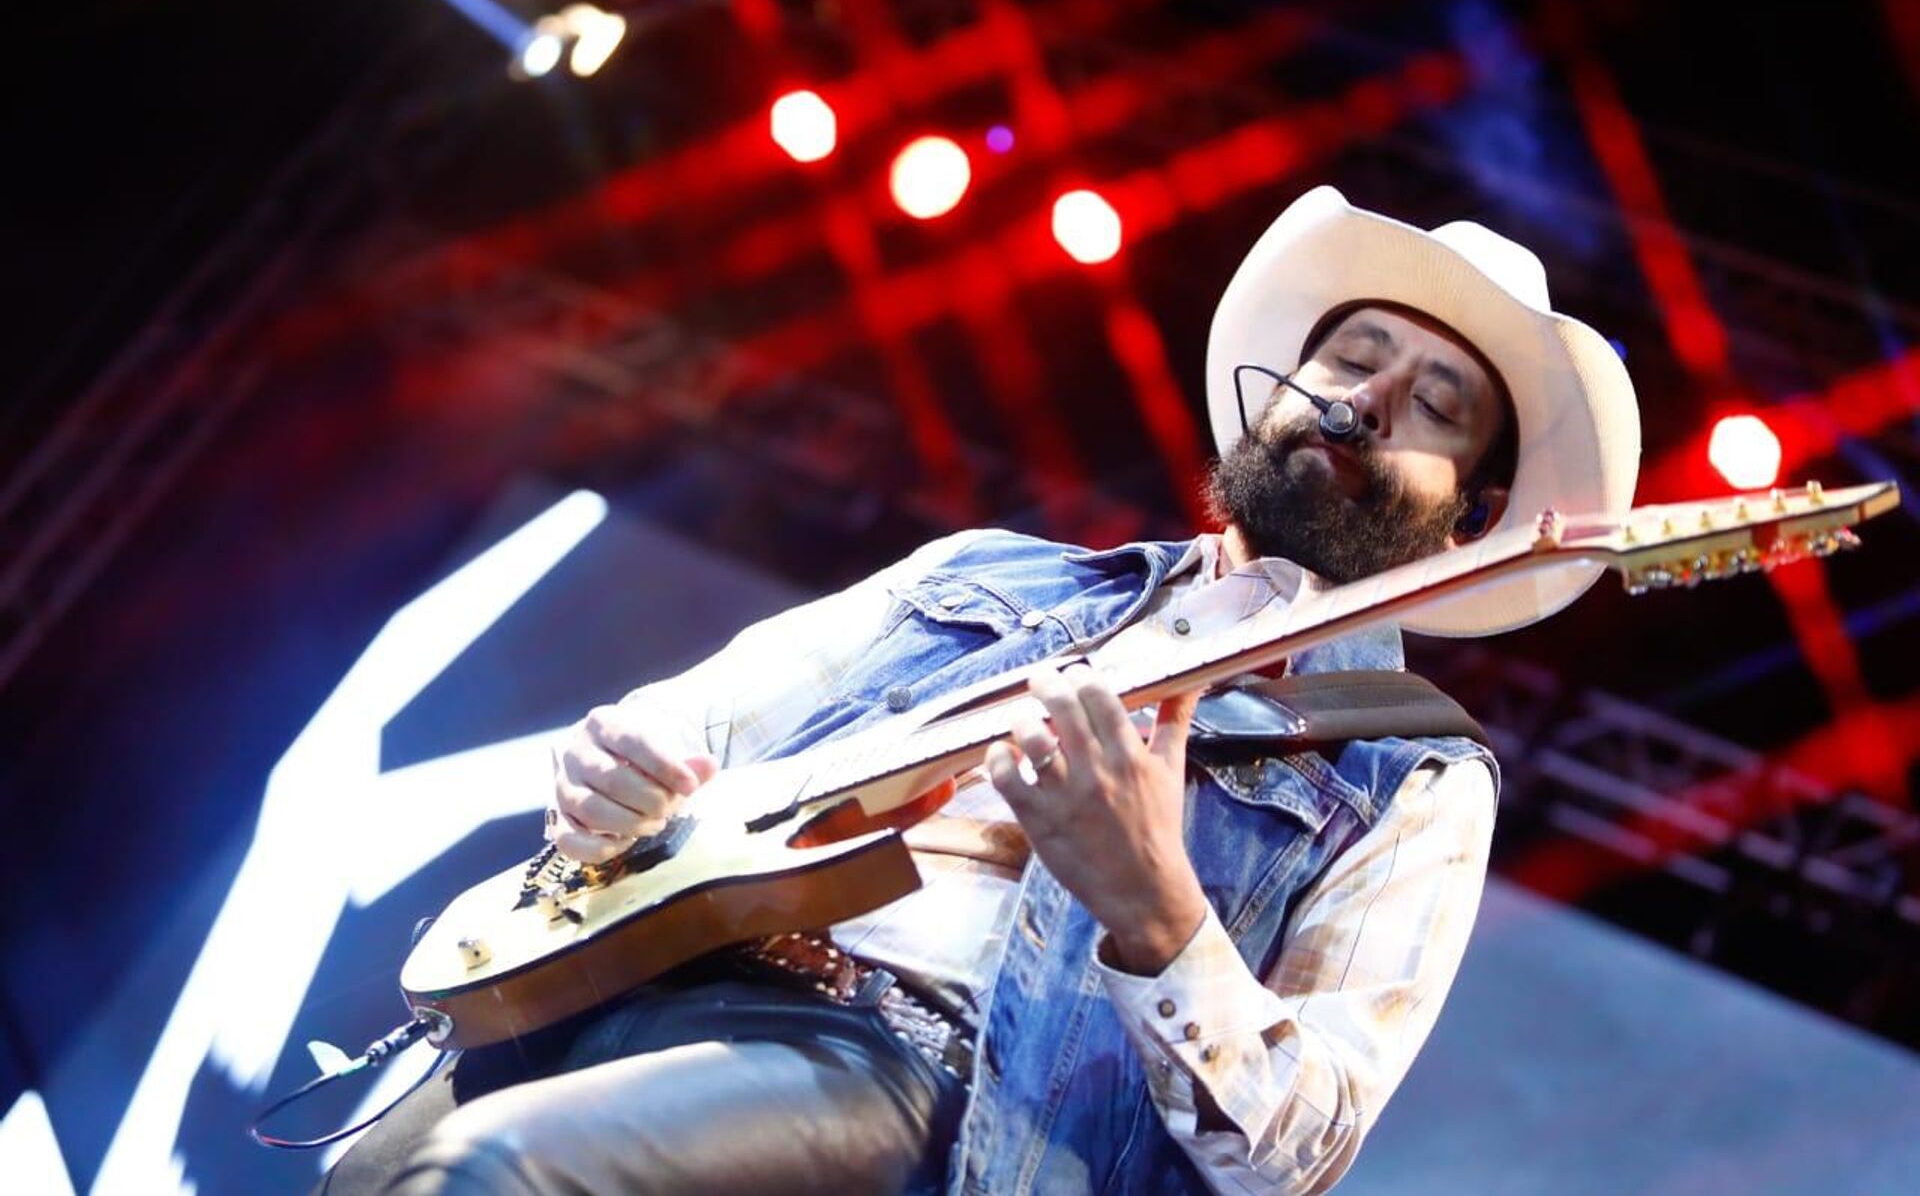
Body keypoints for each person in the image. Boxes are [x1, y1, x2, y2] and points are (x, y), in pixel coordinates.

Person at [322, 185, 1640, 1195]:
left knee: (492, 1179)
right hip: (665, 968)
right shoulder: (998, 572)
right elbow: (705, 714)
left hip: (934, 1087)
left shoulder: (1410, 772)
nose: (1370, 404)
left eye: (1438, 404)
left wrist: (1153, 904)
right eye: (1352, 359)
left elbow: (1291, 1155)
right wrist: (623, 764)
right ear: (1281, 391)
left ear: (1468, 516)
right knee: (369, 1171)